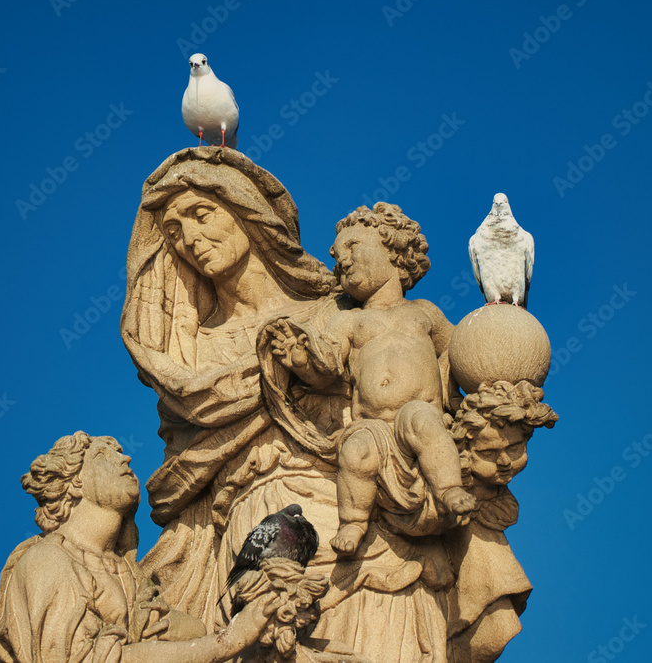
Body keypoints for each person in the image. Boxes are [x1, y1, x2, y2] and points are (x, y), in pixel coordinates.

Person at [120, 147, 347, 629]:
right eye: (175, 232)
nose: (190, 240)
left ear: (247, 210)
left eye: (202, 215)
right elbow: (184, 475)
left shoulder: (331, 314)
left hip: (346, 516)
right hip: (243, 527)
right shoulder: (189, 359)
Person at [266, 203, 476, 555]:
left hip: (417, 410)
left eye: (353, 247)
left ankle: (450, 489)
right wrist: (302, 361)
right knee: (356, 453)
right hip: (372, 424)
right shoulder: (349, 321)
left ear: (394, 251)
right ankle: (353, 521)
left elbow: (459, 351)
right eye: (337, 256)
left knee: (426, 425)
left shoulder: (423, 313)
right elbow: (327, 365)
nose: (342, 261)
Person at [0, 431, 281, 663]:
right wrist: (226, 642)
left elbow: (191, 632)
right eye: (104, 456)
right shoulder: (47, 561)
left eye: (120, 454)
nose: (125, 460)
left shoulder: (131, 576)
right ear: (74, 482)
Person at [444, 380, 557, 663]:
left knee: (497, 628)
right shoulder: (452, 477)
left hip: (485, 552)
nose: (505, 462)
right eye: (488, 453)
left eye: (516, 448)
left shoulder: (494, 490)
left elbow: (508, 511)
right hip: (461, 557)